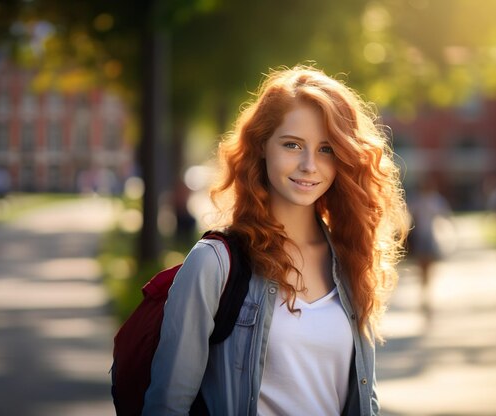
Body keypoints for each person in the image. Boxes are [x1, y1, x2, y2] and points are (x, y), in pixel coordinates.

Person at [142, 65, 409, 415]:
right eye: (292, 144)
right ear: (262, 146)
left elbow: (364, 398)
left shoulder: (349, 261)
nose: (309, 165)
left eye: (326, 149)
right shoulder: (215, 263)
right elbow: (167, 405)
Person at [406, 176, 451, 316]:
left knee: (429, 265)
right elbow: (408, 216)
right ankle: (424, 292)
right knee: (421, 266)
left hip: (430, 237)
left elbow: (445, 215)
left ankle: (427, 292)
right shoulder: (416, 200)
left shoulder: (435, 200)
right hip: (419, 237)